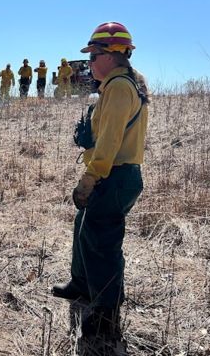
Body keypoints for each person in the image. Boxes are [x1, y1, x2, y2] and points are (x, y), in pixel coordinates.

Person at [52, 22, 149, 338]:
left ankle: (107, 314)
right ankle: (82, 285)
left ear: (113, 54)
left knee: (102, 242)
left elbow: (110, 140)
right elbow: (104, 135)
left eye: (93, 56)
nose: (89, 63)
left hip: (114, 176)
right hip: (111, 173)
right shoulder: (114, 86)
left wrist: (90, 178)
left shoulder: (120, 88)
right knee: (84, 228)